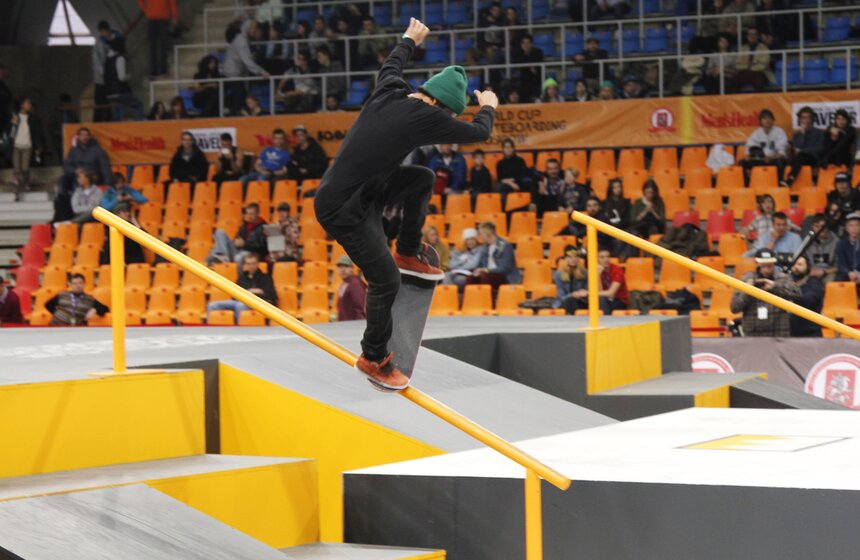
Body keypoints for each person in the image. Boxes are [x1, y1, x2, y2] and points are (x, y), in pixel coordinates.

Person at [313, 18, 497, 390]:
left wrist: (408, 40)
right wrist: (488, 106)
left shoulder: (391, 89)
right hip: (344, 209)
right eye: (449, 114)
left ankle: (409, 250)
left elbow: (391, 64)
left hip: (364, 191)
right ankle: (373, 356)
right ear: (444, 107)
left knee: (422, 178)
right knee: (384, 280)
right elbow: (480, 132)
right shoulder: (428, 118)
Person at [730, 248, 801, 337]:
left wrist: (775, 286)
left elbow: (798, 295)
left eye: (769, 265)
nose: (766, 269)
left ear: (774, 264)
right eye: (764, 265)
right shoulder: (746, 279)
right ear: (757, 263)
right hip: (753, 333)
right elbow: (734, 308)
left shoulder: (783, 278)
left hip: (779, 333)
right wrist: (747, 291)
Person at [206, 253, 276, 324]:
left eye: (253, 263)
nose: (251, 266)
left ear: (257, 264)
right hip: (240, 301)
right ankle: (209, 330)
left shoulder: (265, 278)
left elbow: (271, 296)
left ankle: (238, 331)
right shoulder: (242, 277)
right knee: (212, 306)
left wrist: (258, 292)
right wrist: (250, 292)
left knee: (240, 306)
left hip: (257, 303)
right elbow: (235, 294)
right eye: (248, 264)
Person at [223, 20, 270, 115]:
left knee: (242, 97)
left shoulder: (244, 39)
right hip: (233, 74)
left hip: (239, 73)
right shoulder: (241, 41)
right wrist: (261, 71)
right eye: (254, 29)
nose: (255, 31)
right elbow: (247, 61)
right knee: (239, 99)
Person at [9, 98, 46, 202]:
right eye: (27, 104)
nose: (29, 106)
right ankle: (16, 192)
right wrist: (13, 124)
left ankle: (25, 184)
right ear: (22, 105)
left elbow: (36, 134)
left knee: (25, 168)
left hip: (27, 145)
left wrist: (38, 146)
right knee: (17, 169)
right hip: (16, 145)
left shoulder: (33, 119)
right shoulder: (15, 117)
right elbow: (10, 133)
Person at [45, 273, 109, 326]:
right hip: (56, 326)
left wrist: (94, 310)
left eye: (80, 283)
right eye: (74, 283)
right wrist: (60, 314)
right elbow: (48, 305)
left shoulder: (89, 299)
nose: (77, 285)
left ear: (84, 284)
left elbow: (106, 309)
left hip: (76, 330)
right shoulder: (62, 295)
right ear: (71, 285)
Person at [104, 36, 144, 121]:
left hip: (109, 93)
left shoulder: (107, 59)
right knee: (138, 106)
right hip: (120, 91)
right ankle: (139, 125)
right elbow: (121, 77)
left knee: (116, 113)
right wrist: (129, 76)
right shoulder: (120, 58)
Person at [469, 221, 518, 289]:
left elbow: (504, 268)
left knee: (484, 275)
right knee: (472, 277)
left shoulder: (505, 246)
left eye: (481, 234)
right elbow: (480, 264)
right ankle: (473, 299)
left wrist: (485, 270)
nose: (479, 237)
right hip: (487, 273)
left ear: (488, 234)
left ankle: (488, 298)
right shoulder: (485, 247)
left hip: (503, 276)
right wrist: (477, 271)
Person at [784, 106, 826, 186]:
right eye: (803, 117)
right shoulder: (797, 134)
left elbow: (819, 149)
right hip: (799, 159)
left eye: (808, 118)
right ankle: (790, 179)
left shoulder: (818, 133)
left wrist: (804, 151)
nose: (806, 120)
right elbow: (797, 149)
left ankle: (791, 178)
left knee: (801, 155)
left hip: (813, 159)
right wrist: (802, 135)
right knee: (796, 157)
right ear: (800, 119)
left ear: (812, 119)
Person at [241, 128, 290, 194]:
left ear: (284, 140)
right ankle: (244, 199)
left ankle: (258, 198)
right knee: (242, 179)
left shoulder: (286, 154)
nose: (279, 141)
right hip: (260, 171)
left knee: (261, 179)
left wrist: (272, 173)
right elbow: (257, 163)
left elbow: (285, 170)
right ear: (273, 140)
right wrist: (261, 170)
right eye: (276, 138)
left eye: (281, 138)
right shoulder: (267, 149)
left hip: (271, 173)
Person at [742, 109, 788, 178]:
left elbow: (781, 153)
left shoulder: (779, 132)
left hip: (774, 159)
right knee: (742, 163)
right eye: (764, 118)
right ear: (761, 121)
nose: (767, 120)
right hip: (760, 160)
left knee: (780, 162)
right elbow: (749, 147)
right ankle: (747, 185)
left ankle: (779, 184)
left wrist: (771, 157)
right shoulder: (756, 133)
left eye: (769, 118)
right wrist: (748, 156)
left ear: (773, 120)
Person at [137, 0, 177, 77]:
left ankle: (162, 68)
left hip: (163, 17)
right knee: (153, 45)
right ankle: (154, 69)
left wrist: (174, 16)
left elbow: (172, 2)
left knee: (163, 44)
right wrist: (145, 10)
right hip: (153, 17)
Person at [789, 255, 823, 337]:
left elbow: (808, 301)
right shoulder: (787, 282)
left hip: (811, 332)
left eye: (800, 264)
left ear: (808, 267)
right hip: (791, 333)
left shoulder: (814, 283)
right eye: (794, 264)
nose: (796, 267)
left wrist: (790, 294)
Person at [728, 27, 770, 93]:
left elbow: (763, 65)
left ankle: (759, 102)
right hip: (744, 72)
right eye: (750, 34)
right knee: (731, 82)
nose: (752, 36)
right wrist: (750, 65)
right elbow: (737, 64)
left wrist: (750, 67)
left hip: (759, 72)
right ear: (747, 36)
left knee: (759, 82)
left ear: (757, 36)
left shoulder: (764, 48)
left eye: (754, 34)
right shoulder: (742, 49)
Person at [553, 245, 588, 314]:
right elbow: (562, 297)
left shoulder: (584, 272)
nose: (573, 259)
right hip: (565, 302)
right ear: (565, 259)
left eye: (575, 256)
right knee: (570, 301)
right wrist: (572, 294)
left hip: (581, 301)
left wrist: (584, 293)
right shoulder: (558, 275)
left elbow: (588, 291)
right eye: (570, 257)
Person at [805, 213, 838, 284]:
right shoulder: (807, 241)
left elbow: (839, 266)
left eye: (822, 226)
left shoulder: (836, 242)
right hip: (811, 273)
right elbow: (805, 263)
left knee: (830, 281)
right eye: (817, 226)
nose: (820, 229)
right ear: (812, 227)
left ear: (827, 226)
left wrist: (824, 272)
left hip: (829, 273)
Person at [596, 247, 629, 314]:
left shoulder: (617, 270)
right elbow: (600, 292)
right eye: (602, 257)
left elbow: (611, 293)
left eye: (607, 257)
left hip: (619, 300)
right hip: (605, 299)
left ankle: (605, 321)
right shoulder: (596, 270)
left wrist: (589, 293)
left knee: (602, 299)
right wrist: (598, 276)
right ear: (597, 259)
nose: (606, 260)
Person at [512, 35, 544, 102]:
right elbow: (518, 65)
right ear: (521, 45)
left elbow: (537, 69)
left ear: (532, 44)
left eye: (528, 43)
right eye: (524, 43)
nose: (526, 45)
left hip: (536, 79)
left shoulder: (538, 52)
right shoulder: (518, 53)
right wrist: (529, 66)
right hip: (523, 80)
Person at [336, 256, 368, 321]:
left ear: (352, 268)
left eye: (346, 266)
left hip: (351, 326)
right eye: (340, 267)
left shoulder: (355, 284)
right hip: (345, 325)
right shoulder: (346, 282)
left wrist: (357, 327)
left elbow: (360, 308)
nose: (343, 270)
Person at [835, 212, 860, 289]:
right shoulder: (841, 244)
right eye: (851, 225)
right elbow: (841, 264)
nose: (854, 228)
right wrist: (849, 273)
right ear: (846, 228)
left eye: (857, 225)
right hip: (847, 275)